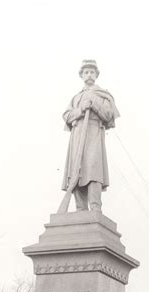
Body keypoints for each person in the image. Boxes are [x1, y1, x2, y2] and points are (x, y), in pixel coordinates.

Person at [62, 59, 119, 212]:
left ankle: (95, 209)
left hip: (94, 133)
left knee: (93, 170)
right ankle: (80, 210)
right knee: (76, 172)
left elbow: (108, 114)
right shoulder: (76, 98)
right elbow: (66, 116)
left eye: (92, 72)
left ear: (96, 75)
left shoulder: (103, 94)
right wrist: (80, 109)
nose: (89, 75)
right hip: (77, 135)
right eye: (86, 72)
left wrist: (94, 103)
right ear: (81, 75)